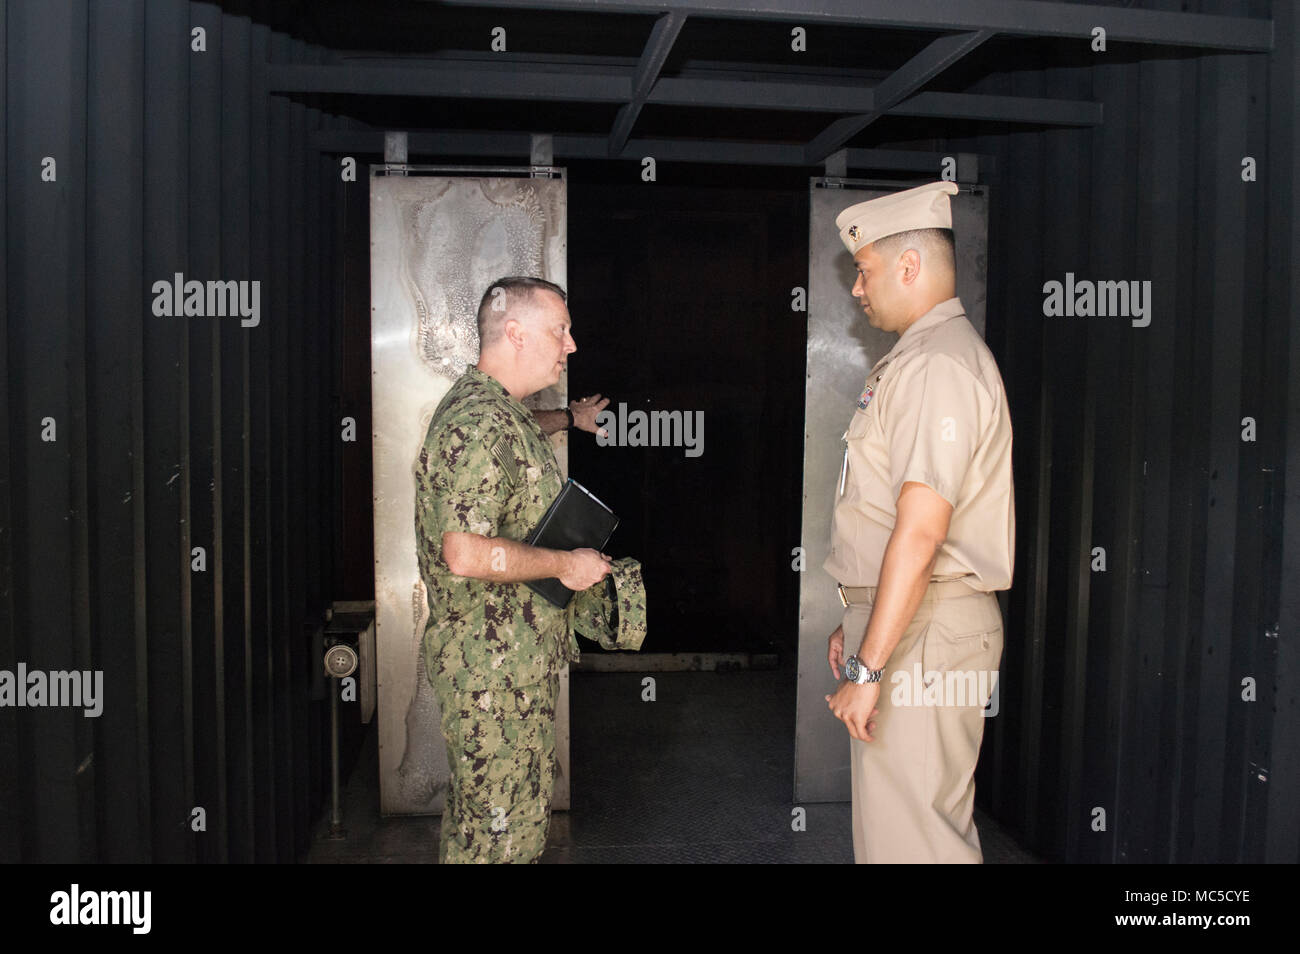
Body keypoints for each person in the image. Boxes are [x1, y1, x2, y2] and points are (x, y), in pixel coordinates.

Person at [822, 181, 1015, 863]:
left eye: (865, 270)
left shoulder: (939, 364)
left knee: (915, 846)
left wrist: (871, 668)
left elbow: (922, 531)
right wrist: (861, 625)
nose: (857, 289)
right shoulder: (920, 357)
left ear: (909, 266)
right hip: (911, 626)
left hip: (926, 636)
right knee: (900, 836)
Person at [414, 275, 612, 864]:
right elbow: (464, 553)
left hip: (509, 671)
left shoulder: (502, 413)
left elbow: (515, 438)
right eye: (561, 330)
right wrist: (566, 565)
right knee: (494, 841)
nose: (571, 344)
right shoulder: (477, 422)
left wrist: (566, 419)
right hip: (491, 676)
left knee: (505, 830)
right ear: (515, 331)